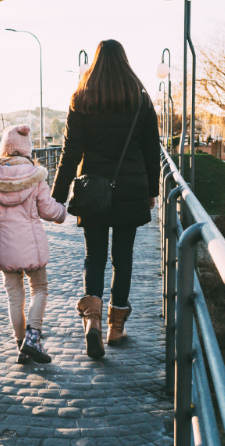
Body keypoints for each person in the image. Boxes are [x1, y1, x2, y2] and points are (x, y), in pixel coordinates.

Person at [51, 40, 160, 359]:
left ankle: (92, 324)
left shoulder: (82, 99)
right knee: (123, 257)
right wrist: (152, 191)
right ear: (125, 63)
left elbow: (70, 153)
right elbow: (151, 150)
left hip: (93, 190)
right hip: (130, 190)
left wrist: (57, 197)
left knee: (94, 257)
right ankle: (116, 328)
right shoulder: (140, 99)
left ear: (95, 64)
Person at [0, 125, 68, 364]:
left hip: (5, 247)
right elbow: (48, 210)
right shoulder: (34, 176)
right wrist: (63, 213)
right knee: (40, 289)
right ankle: (33, 337)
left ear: (4, 148)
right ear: (26, 149)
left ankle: (21, 345)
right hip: (32, 245)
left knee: (14, 297)